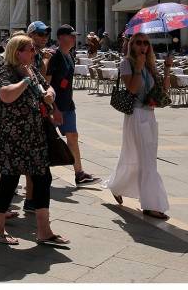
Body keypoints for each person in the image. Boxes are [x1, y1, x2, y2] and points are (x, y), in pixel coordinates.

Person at [0, 33, 67, 246]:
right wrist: (26, 80)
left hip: (34, 134)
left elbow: (47, 86)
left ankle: (44, 231)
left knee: (43, 178)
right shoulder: (4, 68)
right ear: (17, 52)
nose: (34, 52)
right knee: (8, 182)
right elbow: (5, 95)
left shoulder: (31, 68)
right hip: (11, 136)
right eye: (30, 49)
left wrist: (50, 94)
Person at [108, 32, 173, 220]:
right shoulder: (126, 63)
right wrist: (138, 68)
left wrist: (167, 68)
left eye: (146, 43)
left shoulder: (151, 65)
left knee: (142, 156)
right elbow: (133, 89)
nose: (142, 46)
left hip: (150, 115)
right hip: (135, 114)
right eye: (138, 43)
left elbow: (164, 90)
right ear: (132, 45)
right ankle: (151, 204)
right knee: (147, 160)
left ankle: (116, 185)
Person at [44, 24, 98, 185]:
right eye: (71, 35)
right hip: (54, 107)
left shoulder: (69, 55)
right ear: (61, 38)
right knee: (46, 140)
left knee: (73, 137)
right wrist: (54, 108)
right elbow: (46, 84)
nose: (75, 38)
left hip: (68, 104)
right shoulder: (54, 56)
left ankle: (79, 173)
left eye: (75, 35)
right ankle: (33, 175)